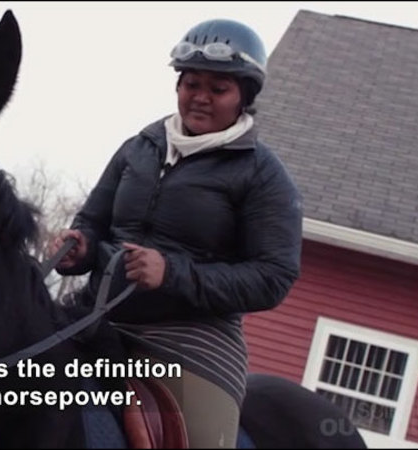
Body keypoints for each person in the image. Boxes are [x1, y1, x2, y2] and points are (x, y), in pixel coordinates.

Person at [48, 18, 303, 448]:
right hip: (94, 320)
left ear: (244, 97)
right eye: (191, 84)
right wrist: (80, 246)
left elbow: (273, 277)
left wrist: (173, 274)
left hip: (189, 344)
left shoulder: (263, 175)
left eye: (217, 89)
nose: (200, 98)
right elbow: (92, 221)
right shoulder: (139, 146)